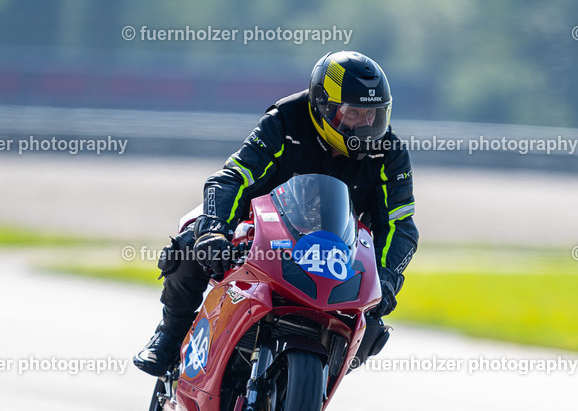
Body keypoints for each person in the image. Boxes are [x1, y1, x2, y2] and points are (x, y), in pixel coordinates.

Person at [133, 51, 418, 376]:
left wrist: (389, 278)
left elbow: (400, 224)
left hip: (338, 247)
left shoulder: (389, 151)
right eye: (354, 114)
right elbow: (233, 176)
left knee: (372, 325)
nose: (366, 125)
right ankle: (169, 334)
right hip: (262, 228)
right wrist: (214, 231)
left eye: (374, 115)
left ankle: (312, 393)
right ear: (323, 106)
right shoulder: (286, 119)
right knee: (187, 247)